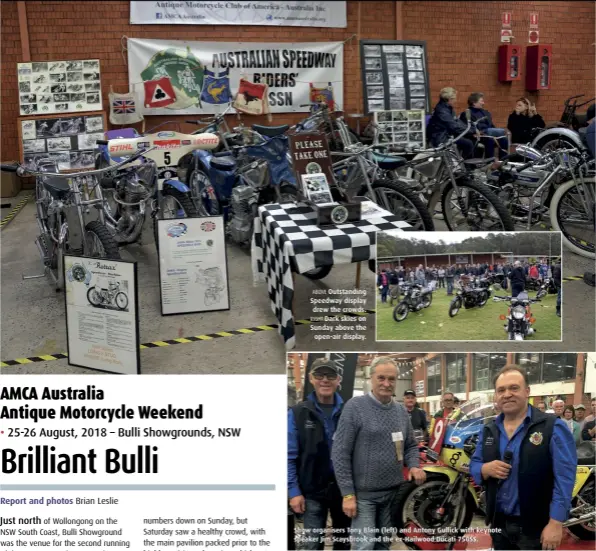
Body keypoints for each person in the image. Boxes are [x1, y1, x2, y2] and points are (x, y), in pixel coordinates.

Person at [470, 365, 577, 551]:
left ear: (527, 391)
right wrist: (484, 469)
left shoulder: (552, 427)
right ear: (496, 396)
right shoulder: (489, 429)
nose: (507, 394)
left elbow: (565, 478)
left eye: (514, 388)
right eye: (501, 390)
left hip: (536, 527)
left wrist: (556, 522)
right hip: (499, 524)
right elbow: (474, 464)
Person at [331, 357, 425, 550]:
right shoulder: (355, 407)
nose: (386, 383)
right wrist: (348, 494)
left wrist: (414, 465)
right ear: (371, 378)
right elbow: (340, 453)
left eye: (391, 379)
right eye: (381, 378)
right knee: (365, 545)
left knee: (383, 544)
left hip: (392, 494)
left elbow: (410, 445)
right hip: (364, 497)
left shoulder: (400, 411)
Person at [287, 358, 350, 550]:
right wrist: (294, 492)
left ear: (338, 380)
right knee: (313, 545)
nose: (325, 380)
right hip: (311, 492)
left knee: (343, 544)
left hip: (343, 492)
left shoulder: (349, 411)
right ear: (311, 379)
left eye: (330, 375)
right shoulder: (297, 413)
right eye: (319, 375)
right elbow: (288, 456)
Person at [427, 87, 474, 159]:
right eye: (454, 98)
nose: (455, 100)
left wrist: (470, 129)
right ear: (449, 99)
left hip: (446, 134)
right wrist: (471, 131)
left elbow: (456, 121)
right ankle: (464, 166)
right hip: (440, 137)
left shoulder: (447, 108)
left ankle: (463, 164)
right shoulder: (442, 110)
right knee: (468, 144)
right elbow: (453, 125)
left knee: (469, 141)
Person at [459, 92, 508, 158]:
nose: (483, 103)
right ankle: (490, 163)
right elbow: (469, 128)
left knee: (504, 139)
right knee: (490, 138)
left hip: (489, 133)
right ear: (474, 103)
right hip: (478, 136)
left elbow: (491, 125)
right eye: (481, 101)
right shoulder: (466, 113)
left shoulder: (485, 112)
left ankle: (503, 161)